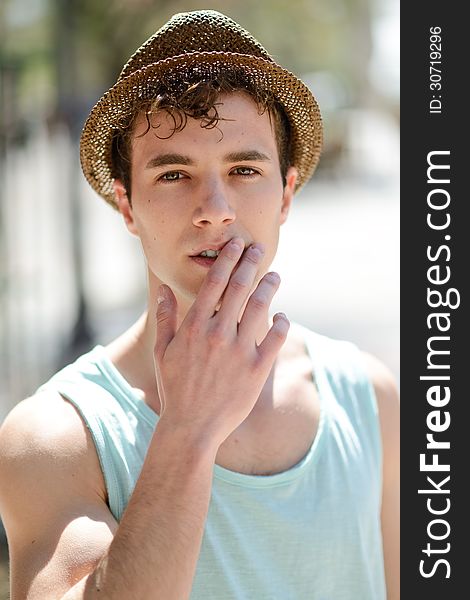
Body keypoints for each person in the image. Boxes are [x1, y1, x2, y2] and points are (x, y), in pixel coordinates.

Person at [0, 10, 399, 600]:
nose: (215, 208)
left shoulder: (369, 400)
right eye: (173, 175)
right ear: (127, 206)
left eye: (244, 169)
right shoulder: (57, 437)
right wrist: (188, 430)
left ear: (286, 194)